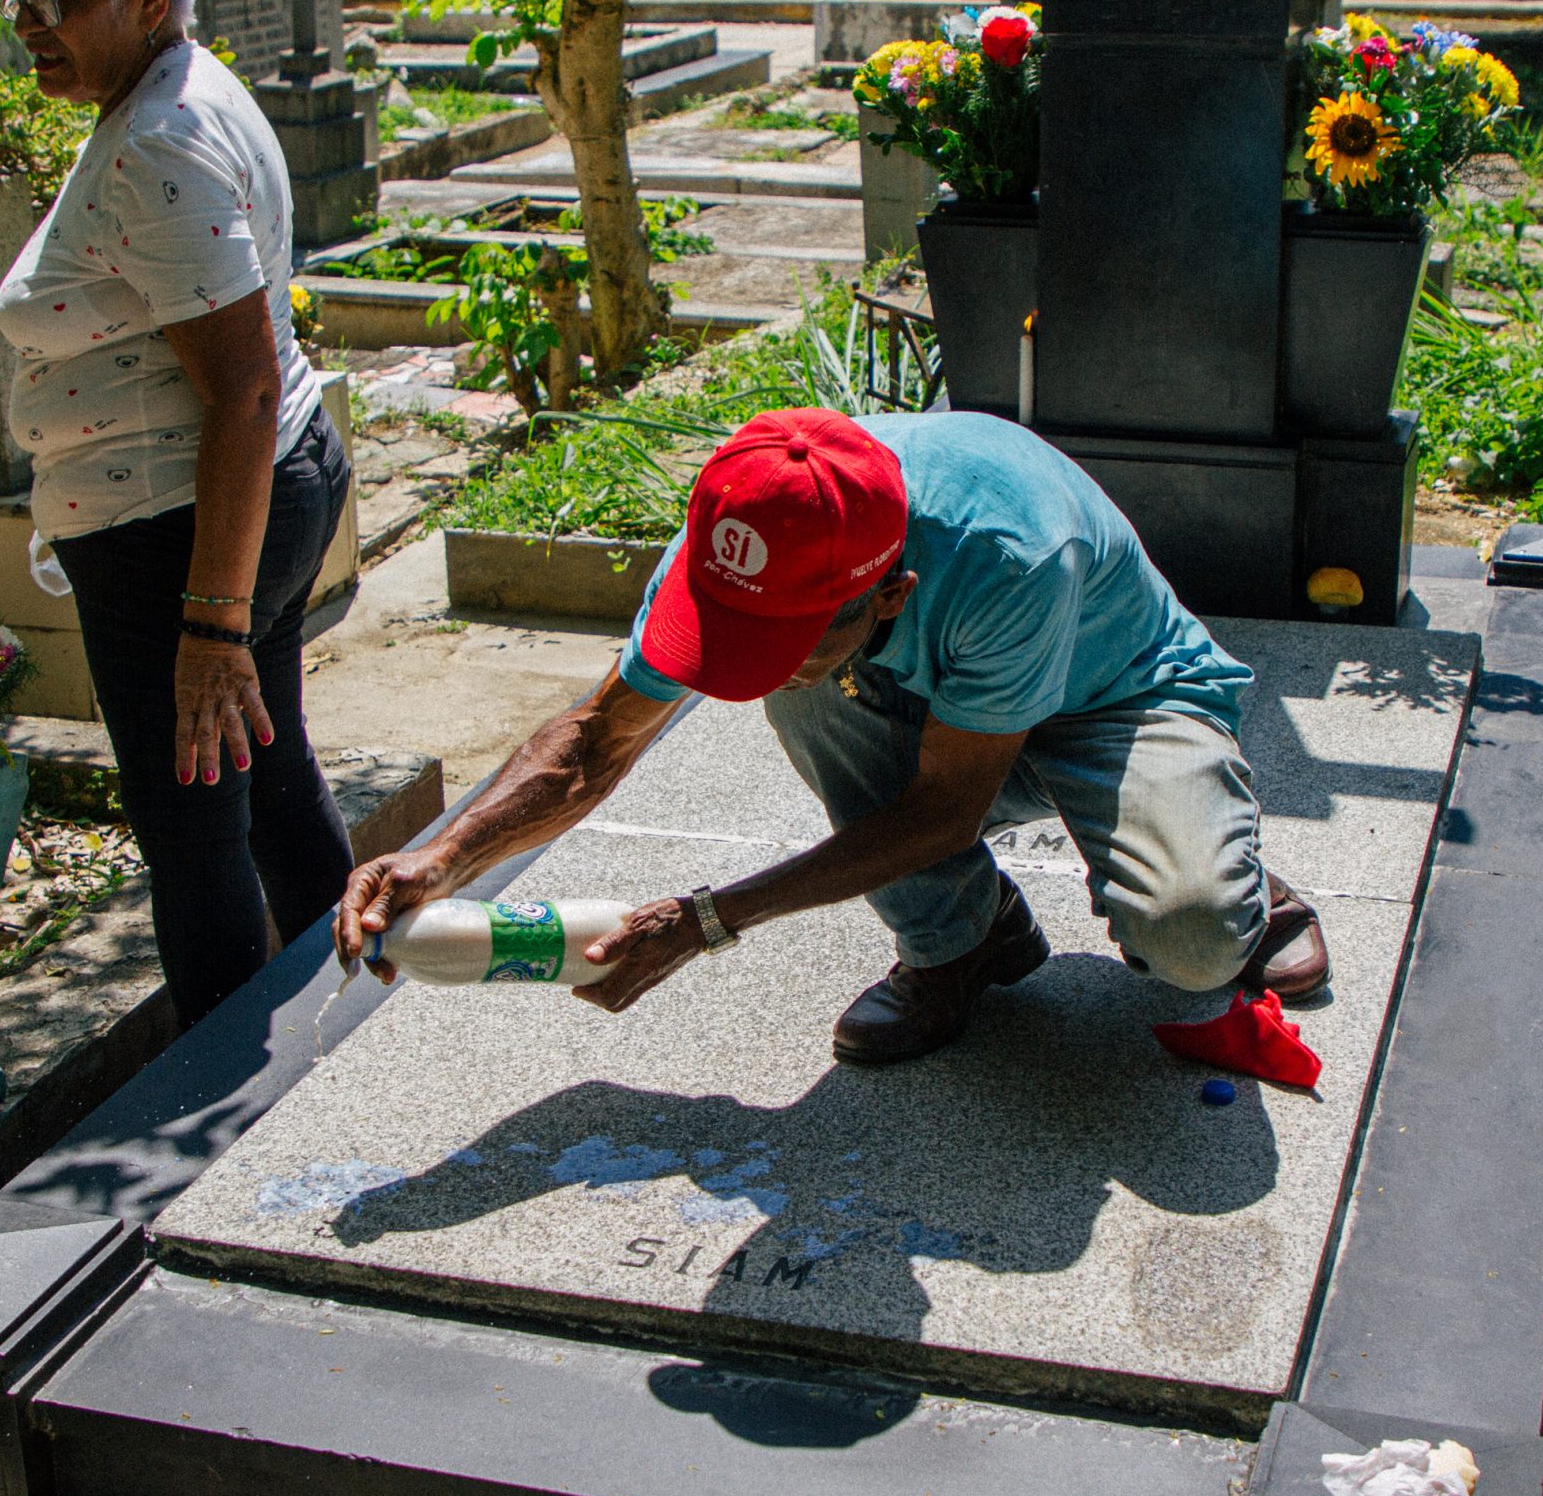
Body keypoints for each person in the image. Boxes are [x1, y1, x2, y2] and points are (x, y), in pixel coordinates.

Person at [336, 408, 1328, 1064]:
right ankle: (963, 941)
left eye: (796, 635)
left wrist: (707, 919)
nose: (757, 660)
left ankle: (1239, 888)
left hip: (1110, 700)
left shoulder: (1011, 553)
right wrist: (444, 855)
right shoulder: (752, 520)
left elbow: (945, 809)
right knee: (814, 690)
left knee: (1190, 942)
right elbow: (596, 744)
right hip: (941, 696)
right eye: (734, 628)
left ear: (891, 589)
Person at [0, 0, 352, 1024]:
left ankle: (222, 1118)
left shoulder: (158, 140)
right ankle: (363, 1012)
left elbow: (240, 390)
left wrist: (208, 623)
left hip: (178, 535)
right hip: (231, 505)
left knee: (193, 830)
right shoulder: (167, 91)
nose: (29, 24)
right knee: (272, 783)